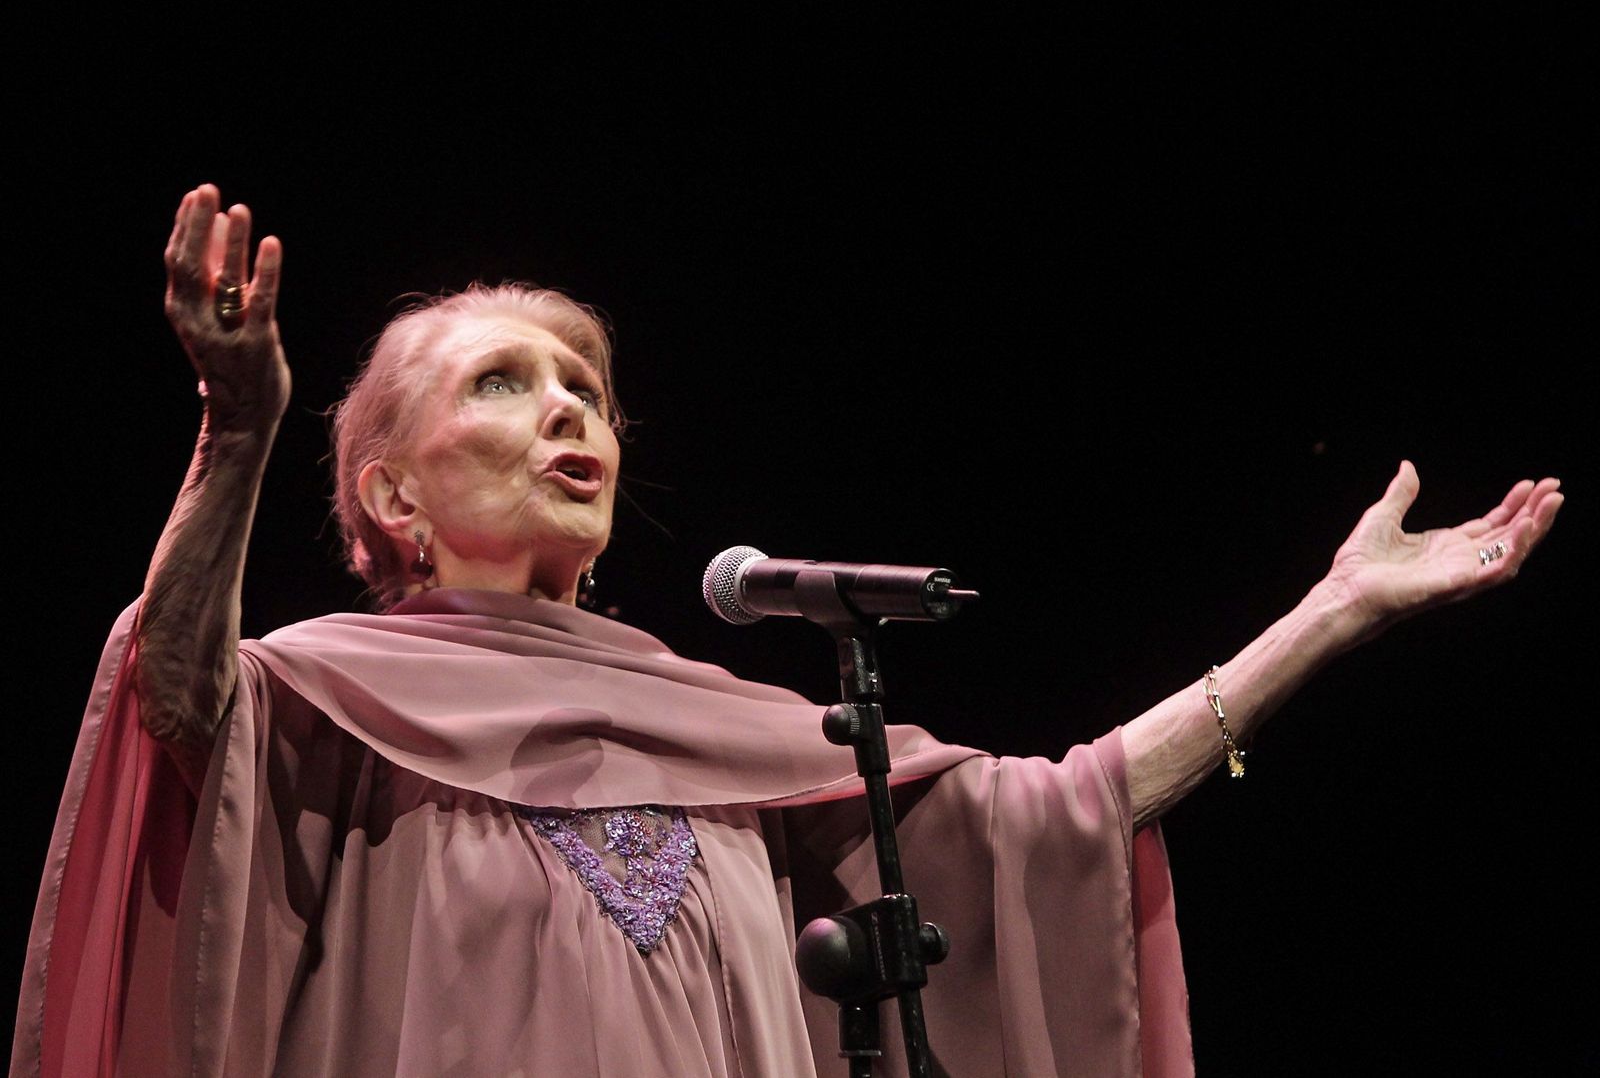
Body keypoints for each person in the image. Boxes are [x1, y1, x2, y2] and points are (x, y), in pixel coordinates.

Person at [10, 186, 1563, 1078]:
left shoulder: (739, 736)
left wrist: (1333, 612)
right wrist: (236, 433)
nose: (567, 410)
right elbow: (176, 690)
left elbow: (1063, 809)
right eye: (502, 382)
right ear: (392, 493)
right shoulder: (324, 696)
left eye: (584, 388)